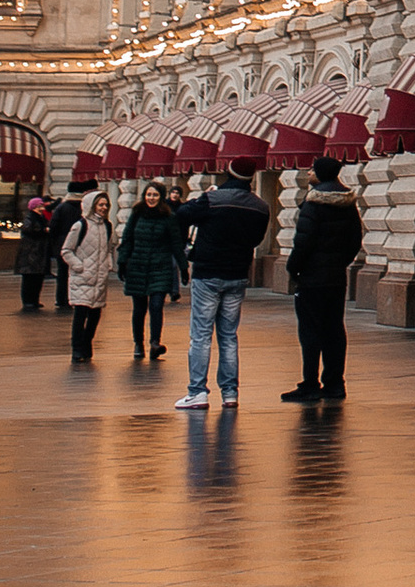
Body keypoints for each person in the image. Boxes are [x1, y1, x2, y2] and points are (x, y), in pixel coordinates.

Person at [176, 161, 269, 408]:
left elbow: (182, 214)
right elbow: (257, 239)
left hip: (207, 272)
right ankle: (230, 393)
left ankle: (197, 391)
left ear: (228, 173)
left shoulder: (212, 199)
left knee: (201, 335)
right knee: (228, 336)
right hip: (237, 274)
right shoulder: (261, 206)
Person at [281, 157, 363, 404]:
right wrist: (339, 263)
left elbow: (303, 242)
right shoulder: (348, 203)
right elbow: (355, 241)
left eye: (312, 169)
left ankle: (310, 384)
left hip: (311, 278)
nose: (308, 173)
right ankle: (335, 383)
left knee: (310, 331)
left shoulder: (313, 203)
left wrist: (293, 268)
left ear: (320, 173)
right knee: (334, 329)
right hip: (336, 278)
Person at [118, 181, 183, 363]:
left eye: (155, 195)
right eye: (148, 194)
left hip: (160, 267)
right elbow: (127, 238)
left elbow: (176, 243)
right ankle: (138, 343)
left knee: (156, 305)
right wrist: (122, 261)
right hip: (138, 266)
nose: (151, 198)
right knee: (139, 308)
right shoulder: (137, 214)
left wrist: (183, 267)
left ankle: (155, 343)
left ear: (161, 197)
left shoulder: (169, 217)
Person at [61, 193, 114, 363]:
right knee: (80, 314)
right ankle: (77, 347)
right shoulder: (80, 225)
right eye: (100, 205)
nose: (103, 208)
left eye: (106, 205)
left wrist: (108, 264)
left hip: (99, 278)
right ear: (92, 206)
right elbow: (66, 250)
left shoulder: (107, 226)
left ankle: (87, 342)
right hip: (82, 277)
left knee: (95, 314)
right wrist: (78, 265)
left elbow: (109, 248)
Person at [15, 194, 56, 312]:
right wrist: (43, 230)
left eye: (41, 206)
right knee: (29, 278)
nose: (41, 208)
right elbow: (28, 230)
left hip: (39, 251)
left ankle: (35, 300)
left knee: (38, 277)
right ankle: (28, 301)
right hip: (31, 251)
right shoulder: (30, 217)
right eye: (39, 206)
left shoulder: (41, 217)